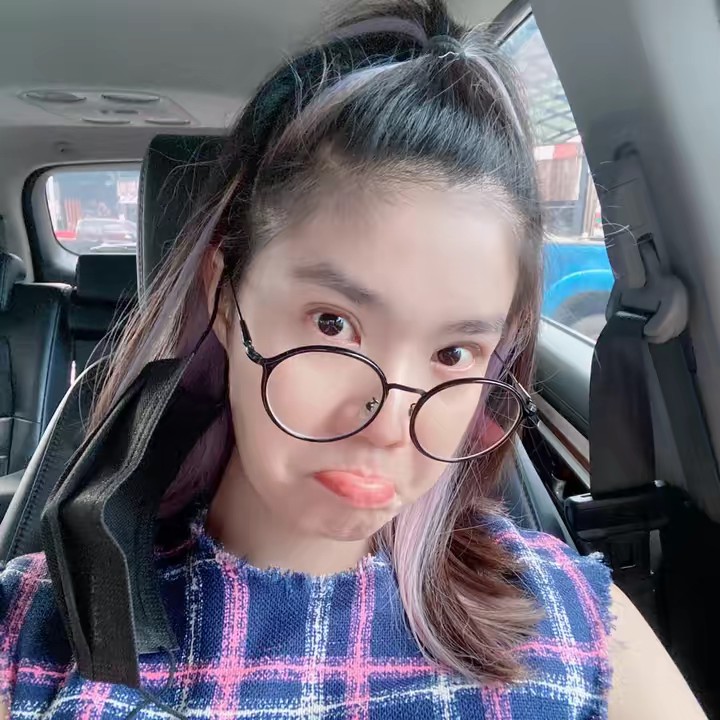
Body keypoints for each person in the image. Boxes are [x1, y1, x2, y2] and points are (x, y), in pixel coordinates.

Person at [0, 1, 707, 718]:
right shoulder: (32, 628)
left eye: (453, 352)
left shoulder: (576, 629)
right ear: (224, 295)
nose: (389, 426)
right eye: (333, 325)